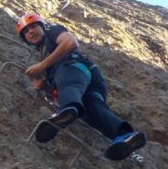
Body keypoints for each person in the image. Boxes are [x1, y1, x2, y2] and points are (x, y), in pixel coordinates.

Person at [16, 11, 147, 161]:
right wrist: (44, 86)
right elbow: (57, 88)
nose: (30, 31)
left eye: (33, 26)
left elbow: (71, 43)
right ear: (25, 39)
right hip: (91, 83)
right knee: (94, 110)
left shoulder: (53, 32)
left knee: (69, 89)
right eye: (26, 31)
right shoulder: (45, 55)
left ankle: (68, 110)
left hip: (75, 69)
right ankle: (124, 135)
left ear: (42, 26)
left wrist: (41, 67)